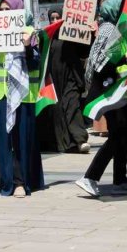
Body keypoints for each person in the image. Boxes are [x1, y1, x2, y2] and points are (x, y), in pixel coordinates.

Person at [0, 0, 44, 197]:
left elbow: (35, 64)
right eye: (2, 10)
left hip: (23, 94)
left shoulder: (30, 32)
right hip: (1, 93)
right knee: (5, 140)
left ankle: (22, 181)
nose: (5, 14)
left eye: (9, 10)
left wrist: (27, 46)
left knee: (22, 139)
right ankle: (8, 181)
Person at [75, 0, 127, 197]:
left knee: (124, 135)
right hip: (110, 91)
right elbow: (101, 61)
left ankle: (120, 180)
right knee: (117, 135)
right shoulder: (109, 30)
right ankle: (90, 177)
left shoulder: (117, 29)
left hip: (120, 88)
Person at [40, 19, 90, 154]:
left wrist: (87, 34)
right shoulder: (46, 37)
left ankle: (80, 140)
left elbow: (84, 52)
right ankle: (65, 143)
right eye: (53, 18)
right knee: (57, 110)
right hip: (53, 81)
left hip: (71, 78)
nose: (56, 21)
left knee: (72, 105)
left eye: (59, 17)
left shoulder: (72, 34)